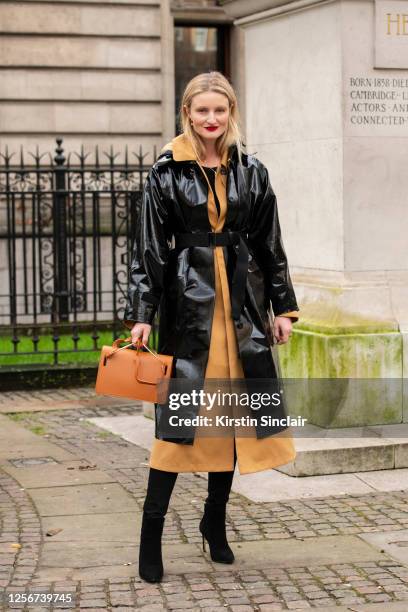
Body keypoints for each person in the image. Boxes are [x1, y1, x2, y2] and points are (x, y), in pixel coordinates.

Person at [123, 71, 300, 583]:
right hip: (189, 311)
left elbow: (270, 244)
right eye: (202, 111)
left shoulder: (251, 169)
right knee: (178, 426)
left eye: (219, 111)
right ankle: (151, 532)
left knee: (229, 423)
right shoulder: (166, 172)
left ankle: (213, 523)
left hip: (242, 308)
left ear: (231, 113)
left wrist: (283, 309)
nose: (211, 120)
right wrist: (141, 313)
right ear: (187, 113)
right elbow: (149, 249)